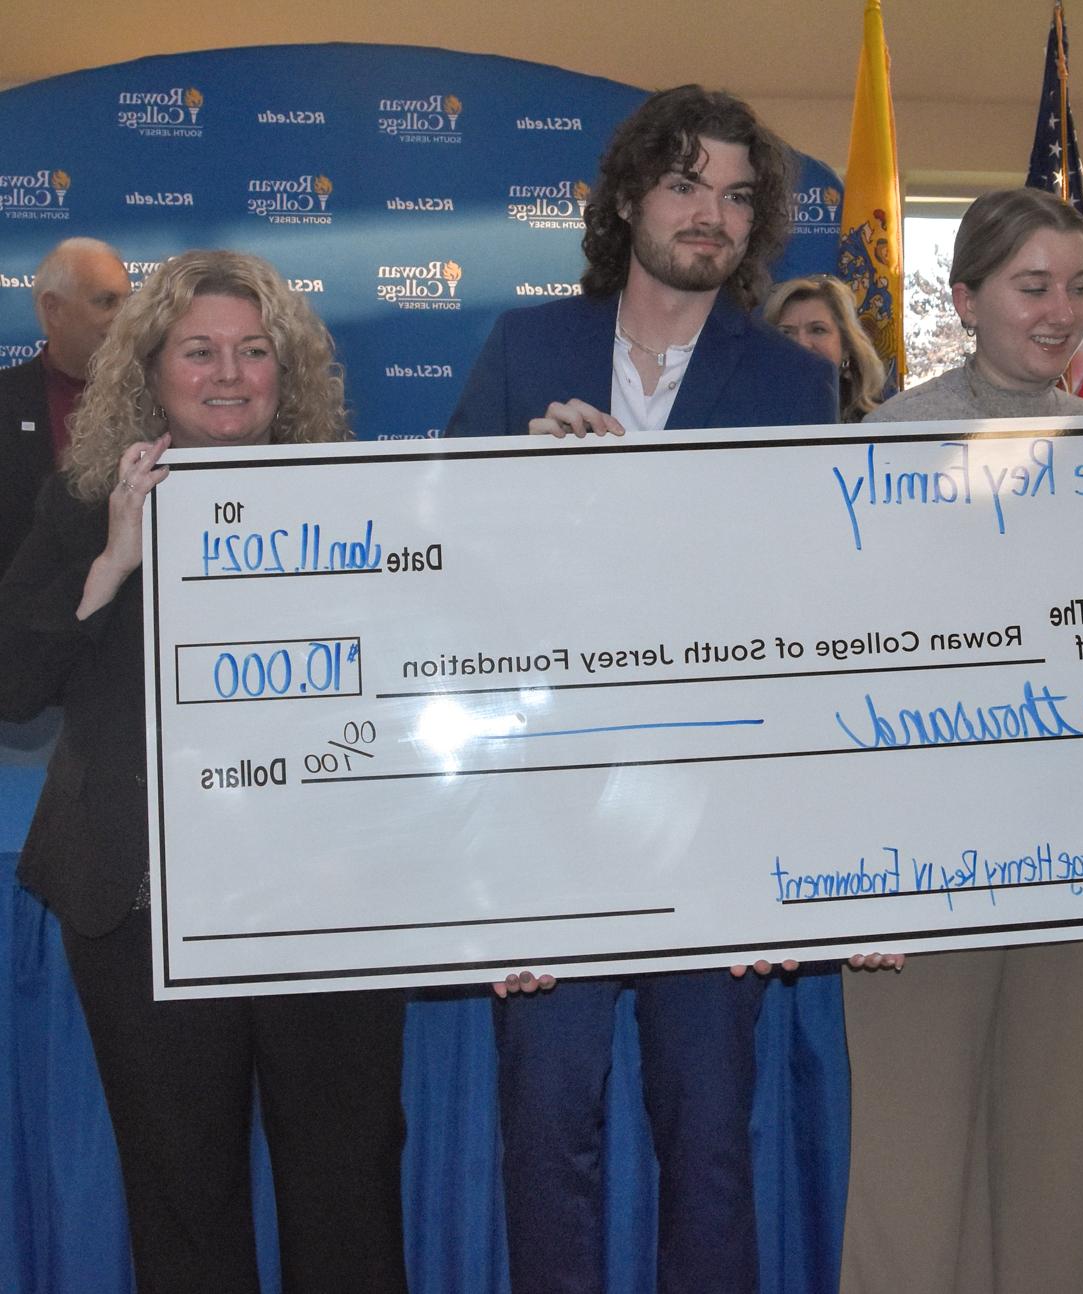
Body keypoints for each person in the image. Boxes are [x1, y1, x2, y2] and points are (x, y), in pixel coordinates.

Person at [446, 84, 868, 1294]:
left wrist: (785, 857)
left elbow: (807, 625)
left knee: (708, 1143)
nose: (711, 215)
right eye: (686, 184)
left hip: (711, 820)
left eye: (737, 196)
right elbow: (445, 577)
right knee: (545, 1130)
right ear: (629, 195)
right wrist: (514, 487)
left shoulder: (789, 386)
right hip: (546, 811)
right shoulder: (525, 349)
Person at [837, 188, 1083, 1294]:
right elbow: (841, 667)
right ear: (965, 299)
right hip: (918, 862)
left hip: (1076, 854)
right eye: (1030, 286)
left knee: (1049, 1152)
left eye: (1078, 286)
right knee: (910, 1162)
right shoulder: (884, 443)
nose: (1060, 311)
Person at [0, 251, 409, 1294]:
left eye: (254, 350)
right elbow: (13, 683)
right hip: (144, 907)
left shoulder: (359, 507)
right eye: (199, 350)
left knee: (347, 1193)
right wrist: (115, 558)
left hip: (325, 910)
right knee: (182, 1205)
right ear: (150, 369)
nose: (228, 373)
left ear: (289, 371)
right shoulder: (81, 502)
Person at [0, 237, 131, 580]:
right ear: (53, 308)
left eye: (127, 301)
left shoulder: (157, 399)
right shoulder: (6, 400)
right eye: (106, 302)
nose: (124, 317)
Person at [764, 273, 886, 420]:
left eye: (818, 330)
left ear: (846, 346)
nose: (802, 344)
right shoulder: (745, 416)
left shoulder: (880, 422)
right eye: (787, 332)